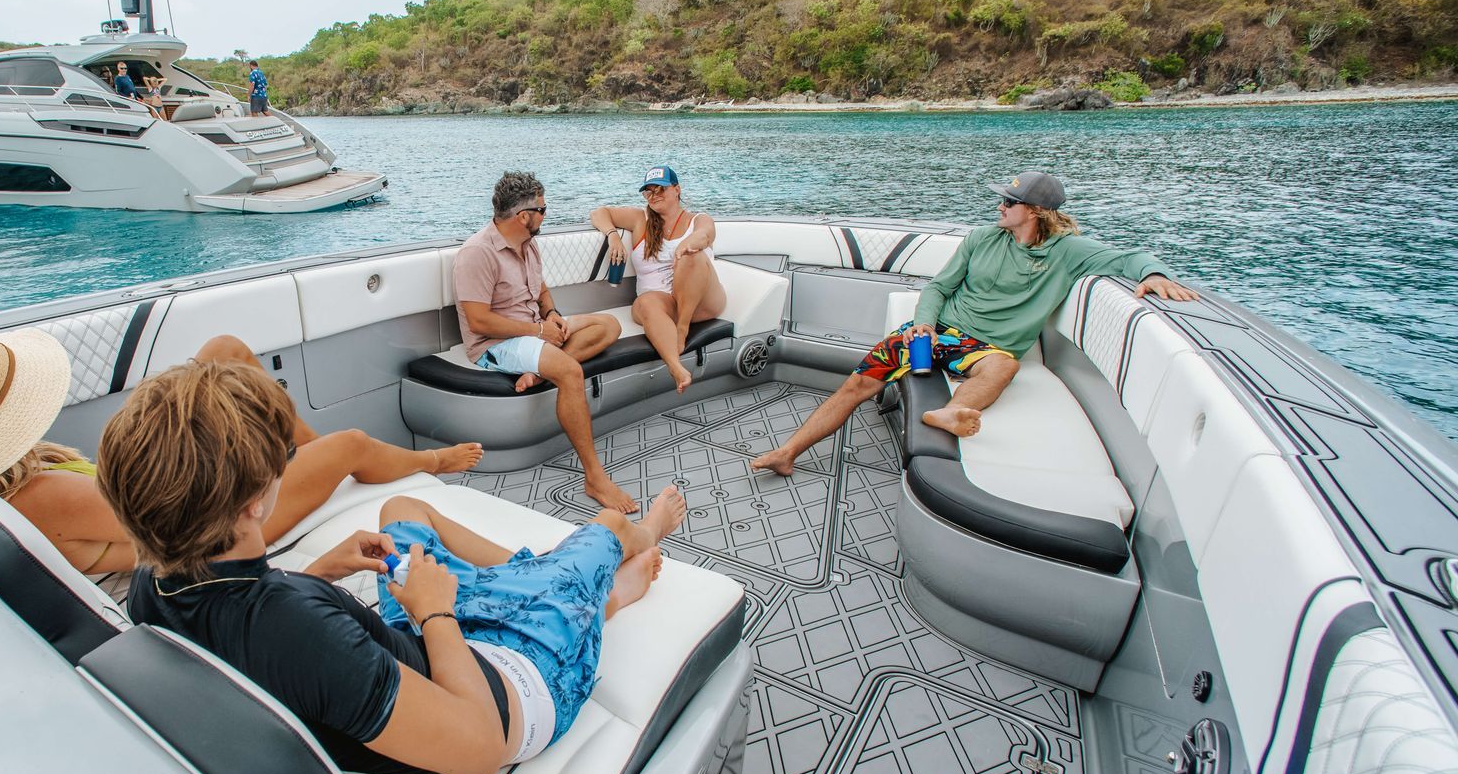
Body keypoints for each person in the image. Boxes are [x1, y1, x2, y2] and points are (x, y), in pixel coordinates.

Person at [99, 360, 687, 774]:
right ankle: (603, 583)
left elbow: (254, 618)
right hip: (509, 689)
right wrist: (434, 611)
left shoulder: (155, 584)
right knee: (607, 526)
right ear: (255, 502)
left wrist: (321, 572)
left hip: (411, 647)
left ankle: (544, 585)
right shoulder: (303, 633)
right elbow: (480, 747)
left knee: (402, 509)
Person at [0, 329, 484, 594]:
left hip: (183, 500)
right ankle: (430, 462)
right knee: (351, 444)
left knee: (224, 352)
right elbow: (174, 519)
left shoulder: (26, 468)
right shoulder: (38, 495)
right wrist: (223, 451)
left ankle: (299, 450)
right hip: (211, 531)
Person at [751, 170, 1199, 475]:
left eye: (1009, 201)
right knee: (857, 383)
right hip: (939, 334)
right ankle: (789, 452)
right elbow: (937, 288)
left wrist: (1155, 276)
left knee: (1004, 366)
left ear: (1036, 212)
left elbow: (1133, 257)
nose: (1000, 206)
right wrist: (924, 323)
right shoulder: (981, 239)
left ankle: (950, 412)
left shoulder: (1067, 252)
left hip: (986, 349)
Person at [456, 171, 637, 513]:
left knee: (609, 325)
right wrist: (539, 334)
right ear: (524, 216)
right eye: (543, 208)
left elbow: (539, 288)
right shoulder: (477, 253)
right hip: (495, 344)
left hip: (534, 329)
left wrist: (551, 314)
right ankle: (595, 478)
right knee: (569, 372)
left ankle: (537, 373)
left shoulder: (528, 244)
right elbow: (478, 321)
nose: (545, 213)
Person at [589, 164, 728, 394]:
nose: (654, 196)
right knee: (644, 302)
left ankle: (681, 329)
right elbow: (599, 213)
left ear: (677, 189)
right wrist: (613, 236)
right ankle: (676, 368)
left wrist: (687, 244)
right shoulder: (640, 218)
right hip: (661, 305)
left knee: (691, 256)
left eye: (660, 189)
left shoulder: (697, 220)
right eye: (648, 191)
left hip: (700, 303)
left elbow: (705, 235)